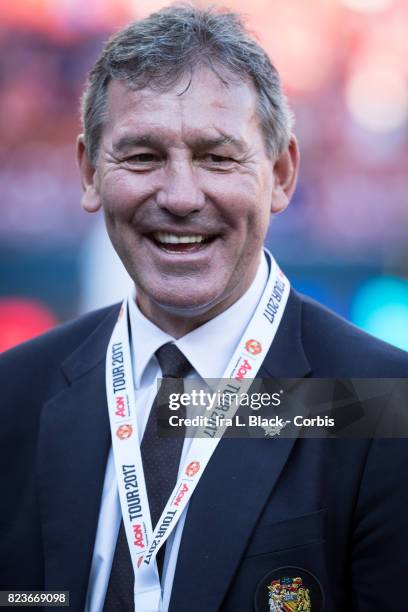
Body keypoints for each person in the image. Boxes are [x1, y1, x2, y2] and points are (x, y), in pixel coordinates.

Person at [0, 5, 407, 612]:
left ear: (281, 173)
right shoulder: (16, 394)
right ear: (89, 171)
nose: (181, 197)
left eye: (218, 158)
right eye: (141, 156)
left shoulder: (375, 403)